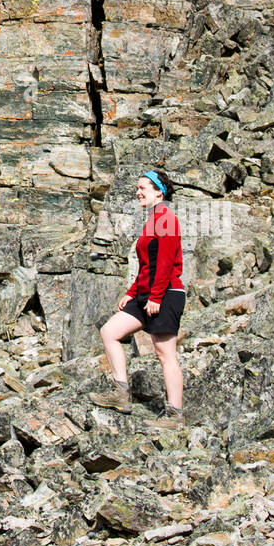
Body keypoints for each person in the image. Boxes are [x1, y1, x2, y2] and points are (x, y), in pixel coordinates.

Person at [90, 168, 186, 429]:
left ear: (159, 192)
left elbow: (166, 263)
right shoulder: (153, 220)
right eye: (137, 187)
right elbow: (147, 265)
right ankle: (121, 393)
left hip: (166, 293)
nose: (137, 192)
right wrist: (132, 293)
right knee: (110, 331)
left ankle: (175, 414)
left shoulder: (165, 218)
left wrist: (155, 296)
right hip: (146, 294)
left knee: (164, 352)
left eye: (143, 187)